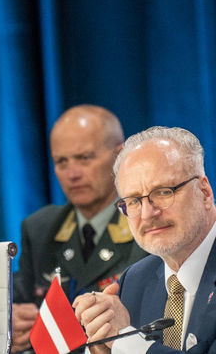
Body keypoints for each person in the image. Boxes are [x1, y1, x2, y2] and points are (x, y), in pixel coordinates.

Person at [12, 105, 147, 352]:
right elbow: (17, 301)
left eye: (84, 158)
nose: (72, 174)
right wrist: (10, 322)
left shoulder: (148, 224)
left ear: (120, 157)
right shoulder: (40, 228)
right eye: (61, 161)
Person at [74, 127, 216, 353]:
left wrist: (122, 339)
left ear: (205, 192)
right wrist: (105, 348)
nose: (148, 214)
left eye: (164, 192)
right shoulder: (135, 280)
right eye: (133, 201)